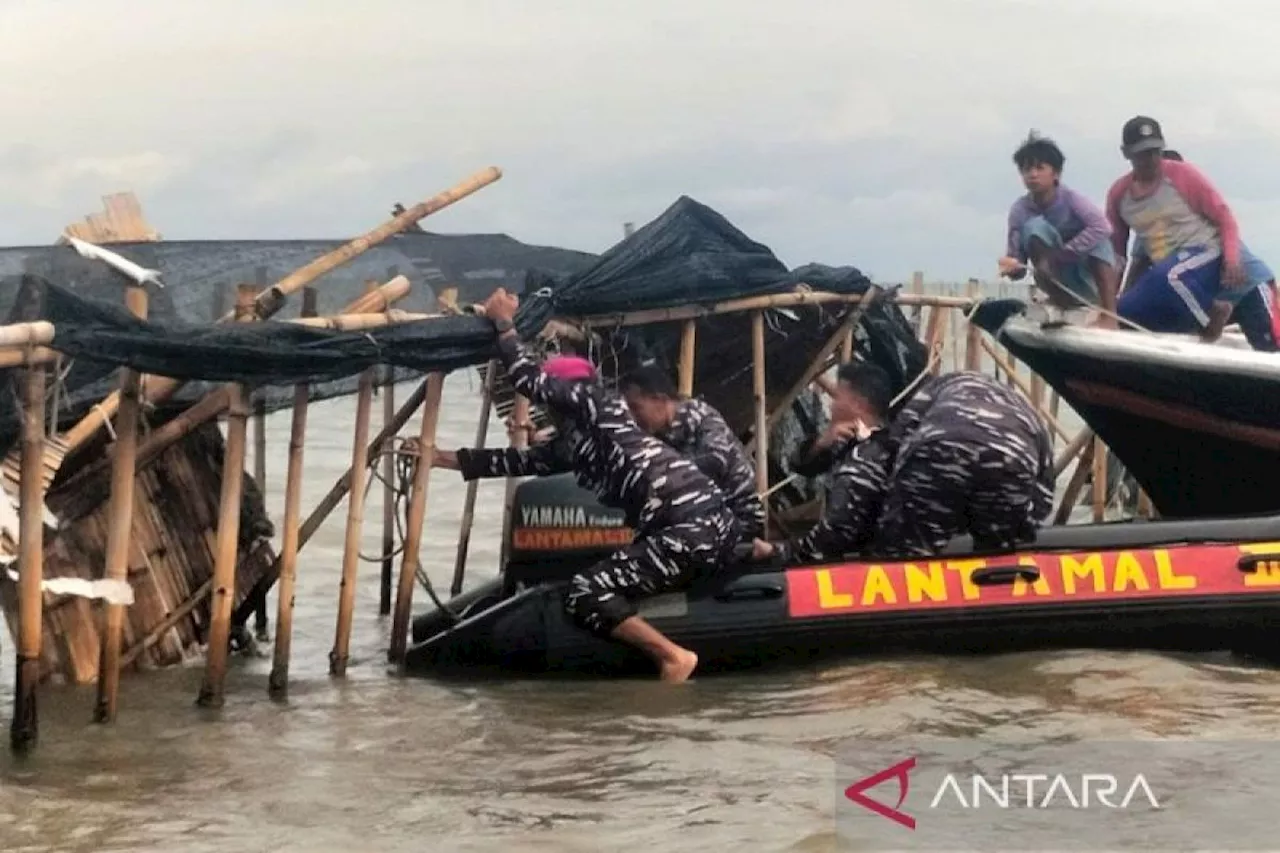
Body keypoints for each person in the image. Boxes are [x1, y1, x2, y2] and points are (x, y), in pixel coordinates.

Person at [434, 289, 737, 683]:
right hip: (692, 530)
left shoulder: (598, 402)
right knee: (593, 575)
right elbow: (514, 461)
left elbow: (530, 381)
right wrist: (437, 458)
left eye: (553, 400)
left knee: (585, 590)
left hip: (690, 526)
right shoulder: (578, 442)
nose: (548, 407)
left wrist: (505, 325)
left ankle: (674, 657)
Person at [869, 371, 1054, 558]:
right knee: (998, 555)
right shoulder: (1024, 408)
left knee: (909, 551)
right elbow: (1044, 491)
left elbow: (894, 444)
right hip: (1013, 459)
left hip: (940, 449)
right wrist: (1025, 526)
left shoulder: (929, 391)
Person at [1120, 148, 1280, 351]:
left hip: (1248, 286)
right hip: (1205, 298)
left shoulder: (1199, 215)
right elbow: (1136, 269)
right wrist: (1117, 311)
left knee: (1271, 349)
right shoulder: (1151, 226)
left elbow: (1227, 227)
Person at [1106, 115, 1251, 338]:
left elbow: (1225, 217)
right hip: (1168, 268)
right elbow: (1117, 253)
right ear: (1127, 153)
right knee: (1125, 311)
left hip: (1205, 253)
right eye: (1143, 153)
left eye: (1155, 151)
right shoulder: (1119, 194)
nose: (1151, 158)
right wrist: (1109, 303)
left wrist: (1232, 259)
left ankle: (1211, 321)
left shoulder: (1183, 175)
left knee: (1169, 276)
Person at [751, 362, 896, 564]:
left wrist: (777, 551)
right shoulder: (859, 441)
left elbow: (834, 534)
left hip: (865, 567)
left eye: (837, 398)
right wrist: (821, 443)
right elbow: (801, 466)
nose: (831, 404)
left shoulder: (866, 457)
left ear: (859, 405)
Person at [617, 364, 765, 541]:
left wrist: (663, 477)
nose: (633, 417)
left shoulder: (701, 416)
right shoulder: (655, 437)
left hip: (738, 519)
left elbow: (715, 461)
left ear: (660, 400)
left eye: (636, 408)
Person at [999, 131, 1120, 327]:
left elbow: (1103, 227)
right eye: (1027, 169)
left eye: (1040, 168)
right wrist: (1011, 267)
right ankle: (1060, 300)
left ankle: (1110, 314)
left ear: (1055, 173)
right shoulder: (1019, 210)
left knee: (1100, 242)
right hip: (1053, 277)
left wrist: (1062, 254)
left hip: (1086, 276)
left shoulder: (1072, 200)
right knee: (1033, 228)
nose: (1033, 175)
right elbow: (1018, 266)